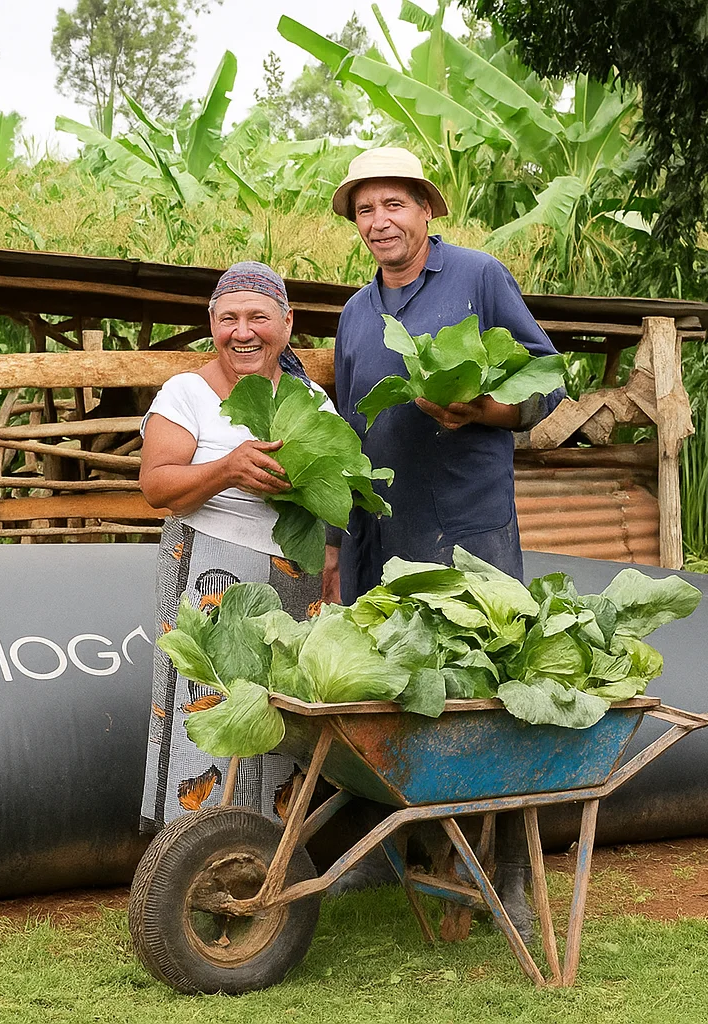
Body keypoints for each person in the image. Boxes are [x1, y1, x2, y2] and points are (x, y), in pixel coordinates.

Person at [322, 147, 565, 939]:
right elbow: (349, 434)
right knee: (399, 694)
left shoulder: (477, 277)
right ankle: (428, 861)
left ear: (427, 212)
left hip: (468, 525)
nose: (380, 220)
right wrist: (336, 543)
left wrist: (483, 411)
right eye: (366, 209)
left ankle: (515, 879)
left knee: (497, 693)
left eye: (395, 204)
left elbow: (546, 375)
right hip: (385, 527)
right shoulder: (357, 313)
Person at [137, 262, 323, 833]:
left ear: (287, 324)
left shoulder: (309, 397)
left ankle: (268, 857)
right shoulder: (187, 393)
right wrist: (227, 469)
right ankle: (190, 855)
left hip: (293, 576)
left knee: (279, 713)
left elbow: (333, 494)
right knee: (208, 711)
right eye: (228, 319)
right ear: (212, 325)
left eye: (258, 317)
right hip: (207, 573)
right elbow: (155, 486)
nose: (243, 332)